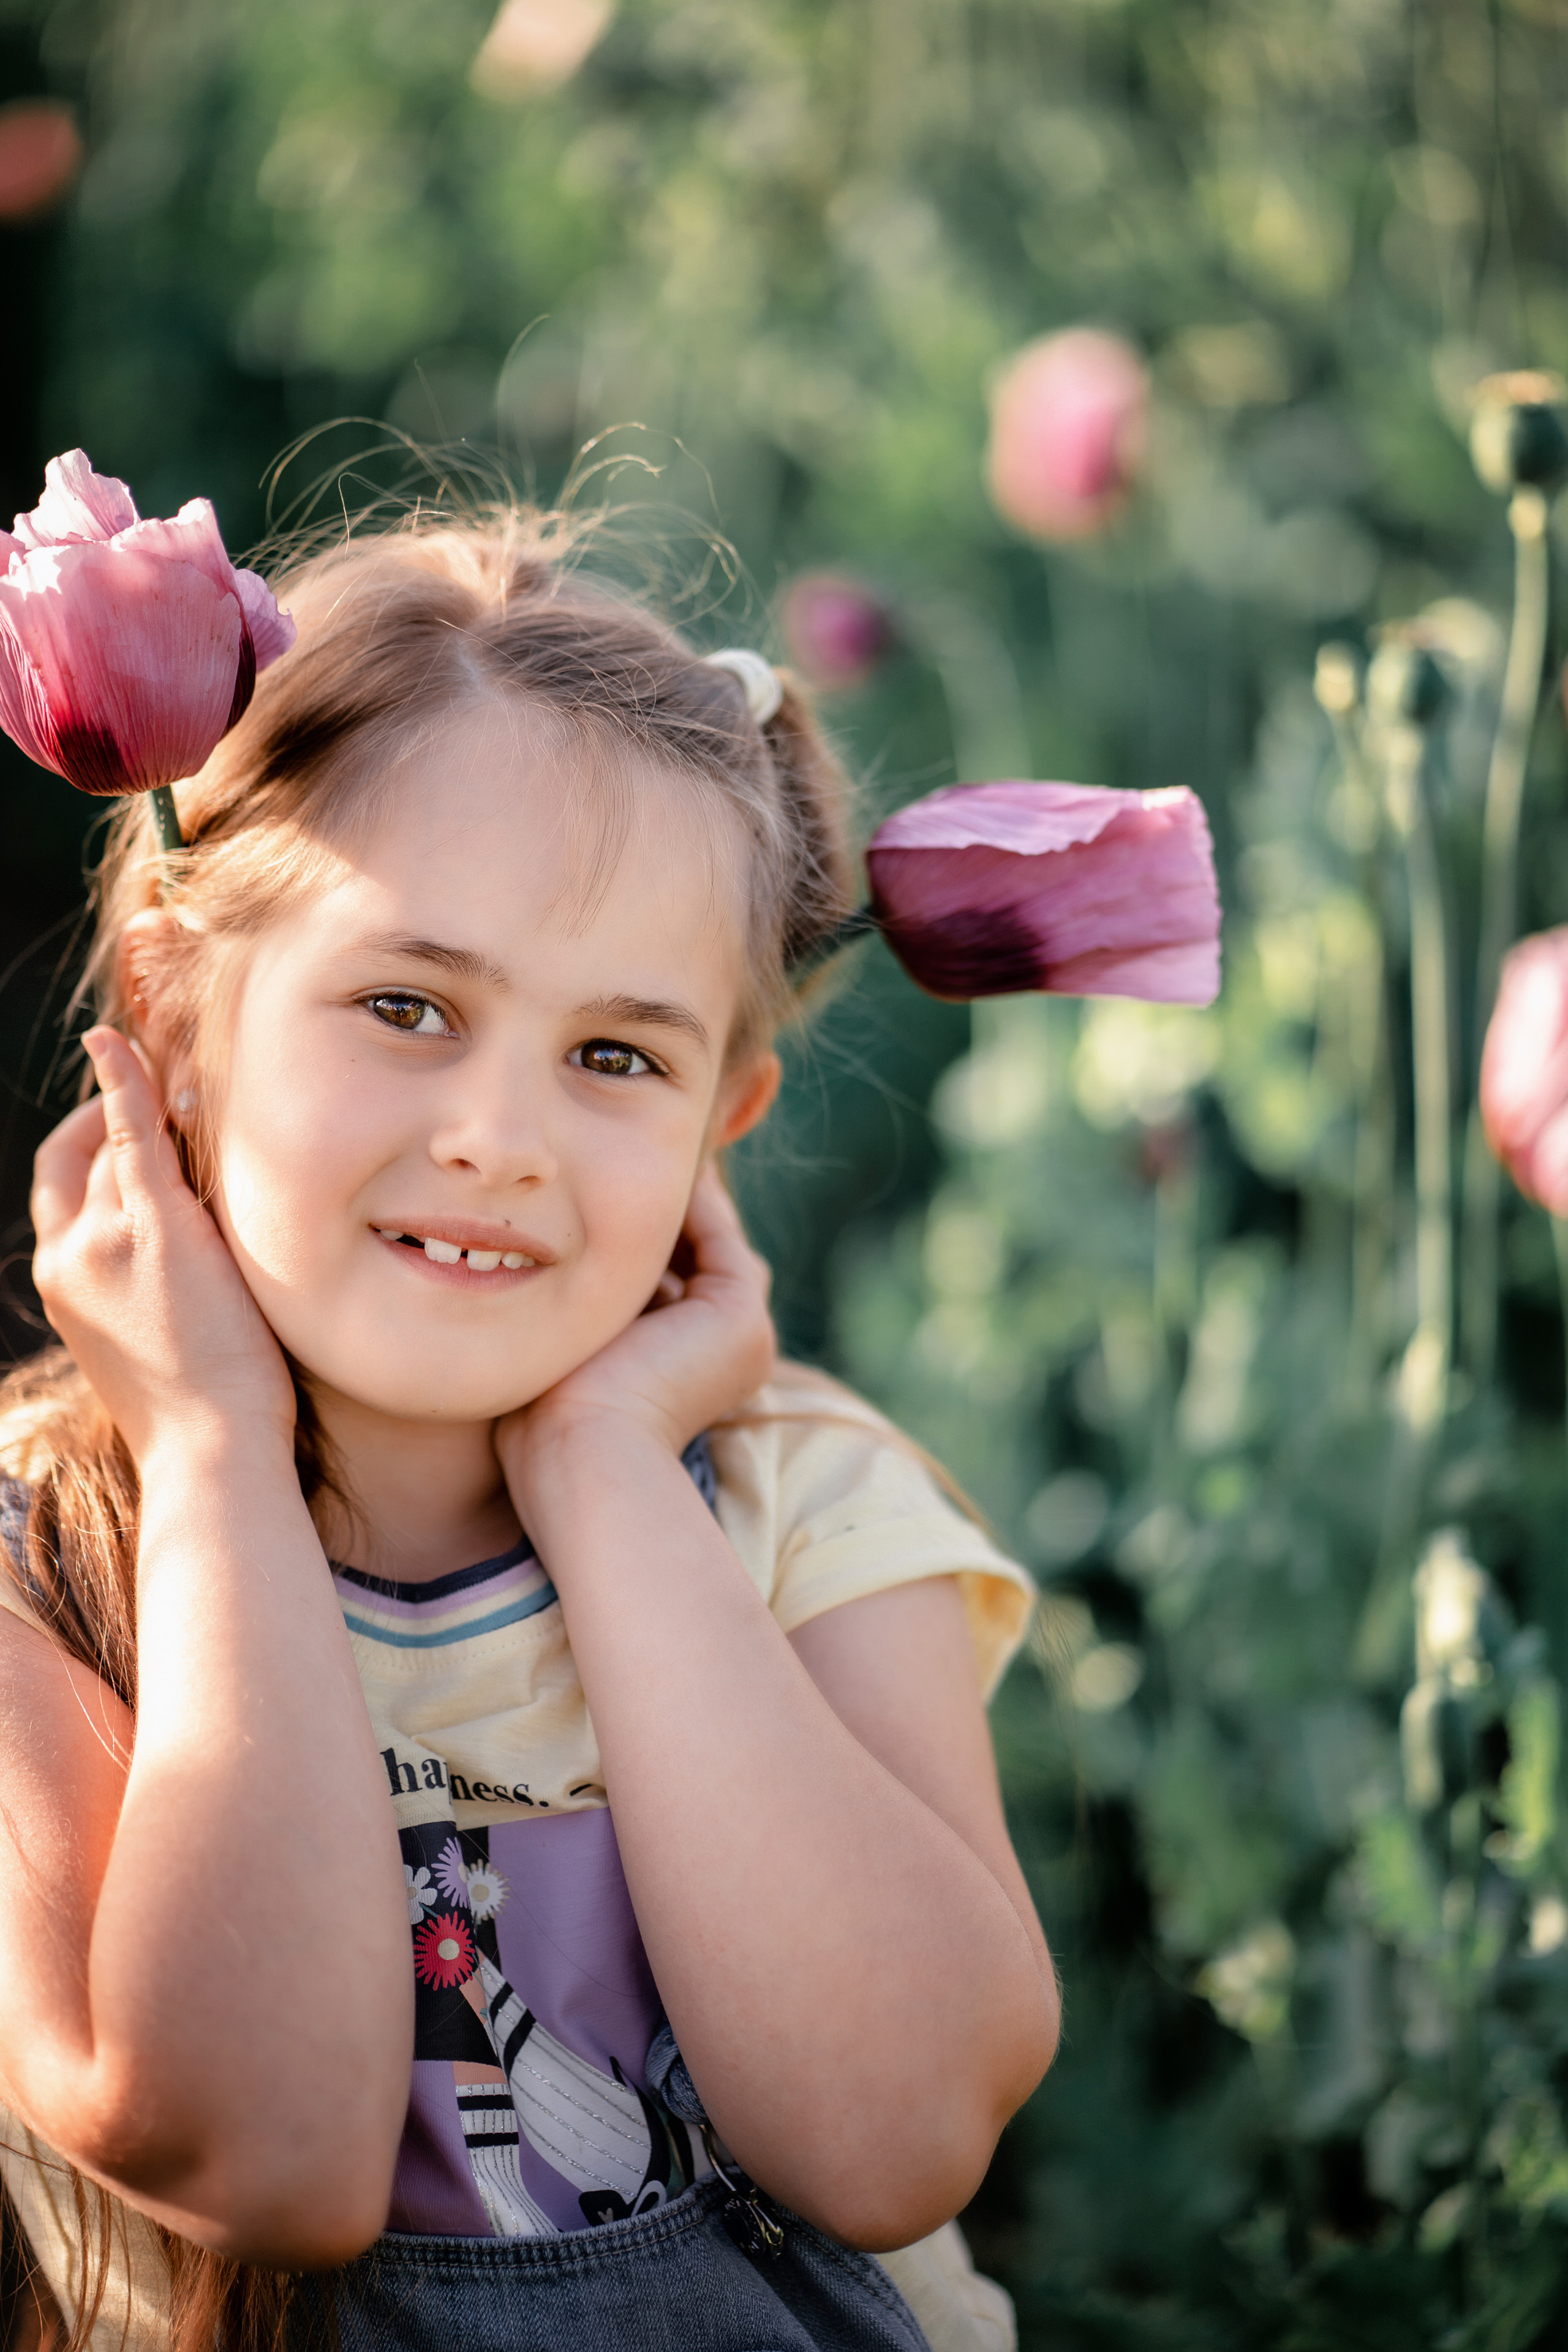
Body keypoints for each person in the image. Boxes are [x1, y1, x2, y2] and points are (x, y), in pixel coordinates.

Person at [0, 507, 1058, 2352]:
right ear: (173, 1016)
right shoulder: (40, 1552)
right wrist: (216, 1457)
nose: (503, 1135)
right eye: (407, 1006)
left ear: (724, 1115)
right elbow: (274, 2155)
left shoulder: (811, 1513)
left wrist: (608, 1474)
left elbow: (893, 2139)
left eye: (616, 1057)